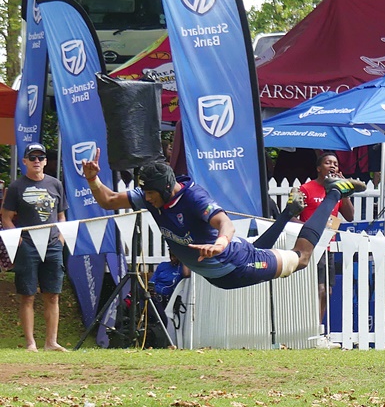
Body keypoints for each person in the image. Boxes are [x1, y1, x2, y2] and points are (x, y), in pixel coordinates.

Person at [81, 149, 364, 290]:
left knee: (300, 259)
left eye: (152, 194)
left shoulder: (194, 199)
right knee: (256, 246)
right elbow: (107, 200)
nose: (148, 199)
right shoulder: (150, 195)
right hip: (221, 272)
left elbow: (224, 223)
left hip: (234, 265)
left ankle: (334, 194)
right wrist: (93, 179)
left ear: (167, 189)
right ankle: (289, 212)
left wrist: (219, 244)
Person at [1, 143, 68, 352]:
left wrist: (62, 235)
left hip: (53, 244)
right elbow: (6, 217)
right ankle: (31, 343)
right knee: (27, 294)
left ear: (46, 161)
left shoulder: (55, 184)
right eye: (32, 158)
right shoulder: (16, 187)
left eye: (40, 157)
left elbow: (61, 215)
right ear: (25, 161)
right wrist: (18, 237)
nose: (36, 161)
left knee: (53, 293)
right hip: (27, 245)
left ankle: (51, 342)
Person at [295, 152, 356, 334]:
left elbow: (350, 216)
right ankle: (308, 329)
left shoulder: (336, 191)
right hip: (310, 246)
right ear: (318, 168)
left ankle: (316, 328)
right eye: (328, 163)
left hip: (328, 246)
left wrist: (343, 190)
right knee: (316, 289)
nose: (332, 166)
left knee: (327, 290)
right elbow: (291, 215)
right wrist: (309, 227)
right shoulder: (306, 188)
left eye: (335, 164)